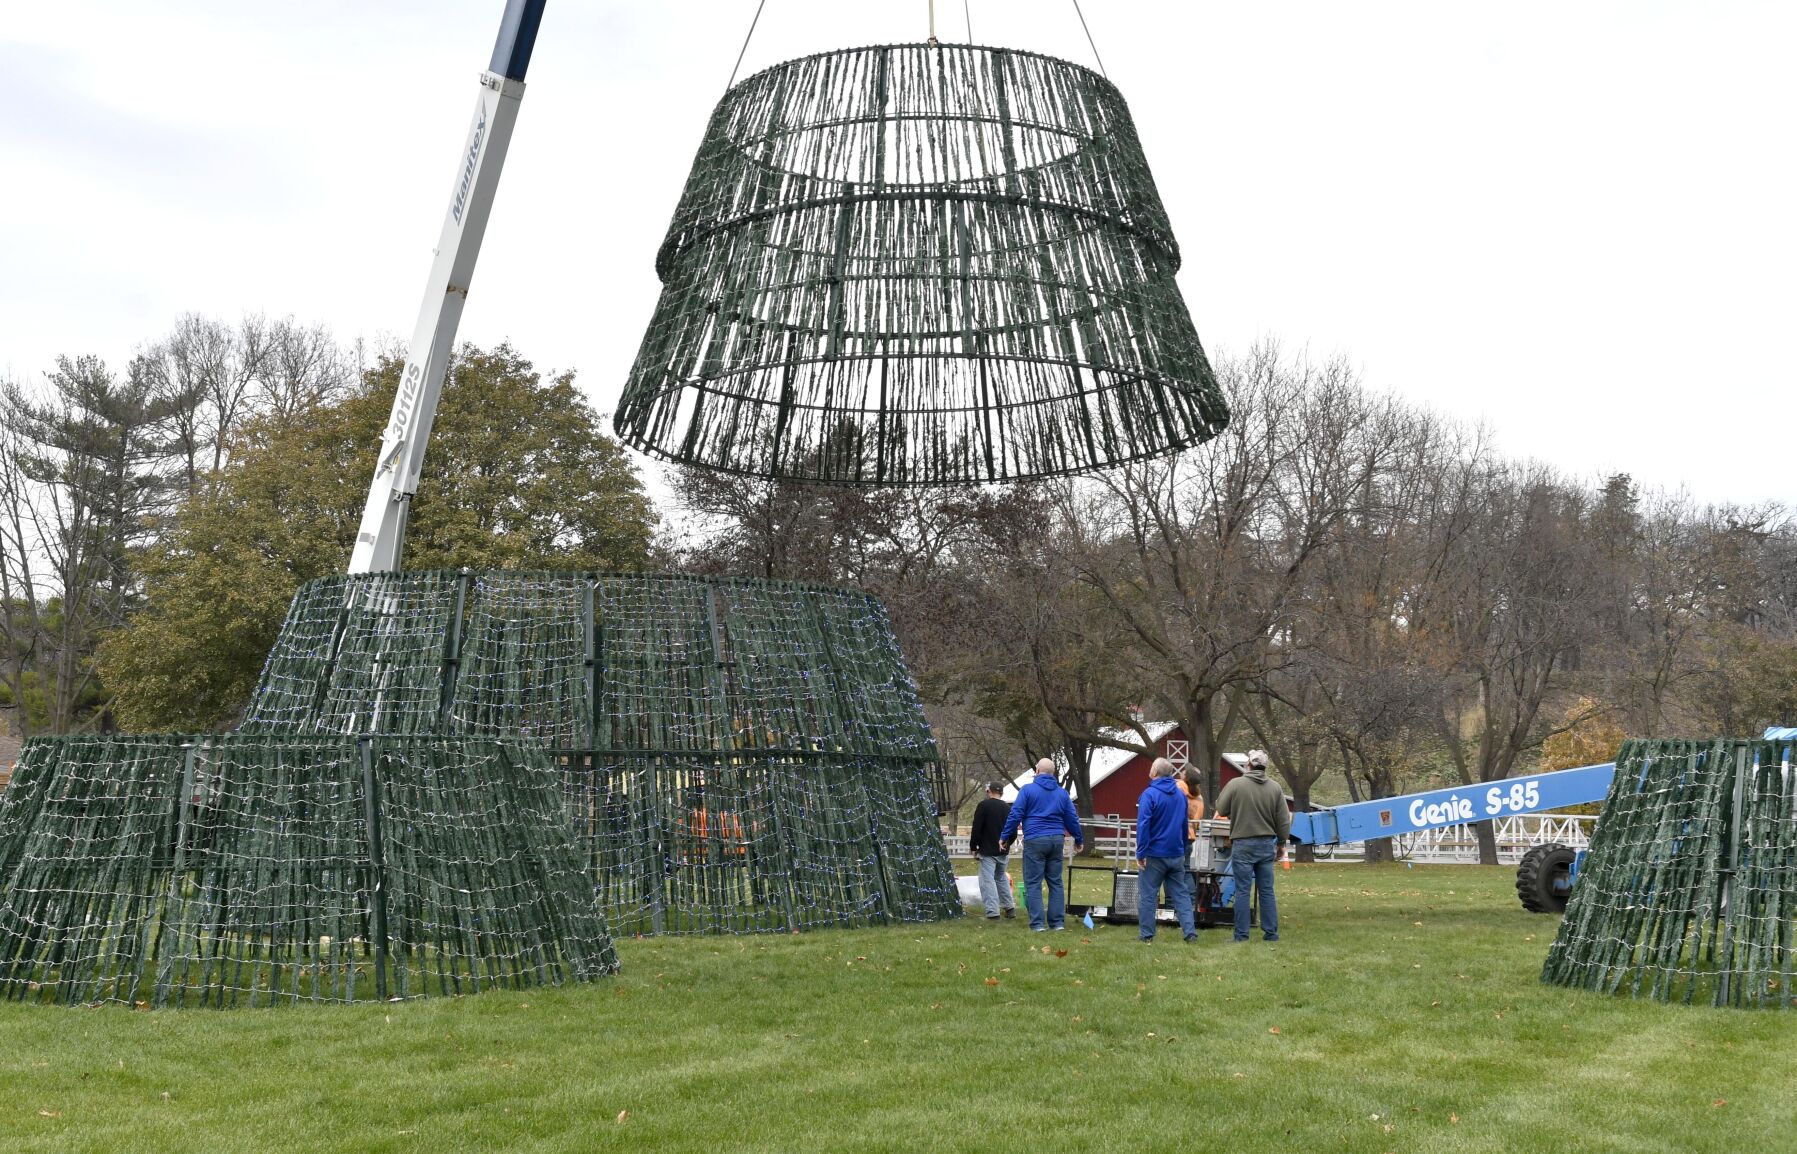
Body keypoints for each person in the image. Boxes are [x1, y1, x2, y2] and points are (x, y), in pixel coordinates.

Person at [1214, 749, 1290, 942]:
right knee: (1266, 890)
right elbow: (1283, 821)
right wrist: (1281, 844)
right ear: (1265, 767)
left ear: (1248, 764)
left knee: (1242, 890)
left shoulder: (1236, 784)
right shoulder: (1275, 788)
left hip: (1243, 843)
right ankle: (1271, 933)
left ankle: (1241, 935)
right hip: (1266, 844)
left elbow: (1221, 808)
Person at [1000, 758, 1084, 931]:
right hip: (1056, 840)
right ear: (1052, 773)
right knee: (1055, 882)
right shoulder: (1062, 793)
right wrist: (1078, 839)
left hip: (1035, 839)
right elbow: (1071, 818)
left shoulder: (1027, 790)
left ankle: (1038, 924)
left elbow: (1015, 814)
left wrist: (1005, 836)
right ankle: (1057, 923)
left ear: (1037, 771)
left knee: (1033, 883)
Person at [1135, 757, 1196, 942]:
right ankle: (1190, 933)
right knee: (1181, 894)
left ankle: (1147, 935)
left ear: (1155, 772)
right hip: (1176, 852)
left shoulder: (1149, 794)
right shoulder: (1180, 795)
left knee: (1148, 895)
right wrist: (1183, 847)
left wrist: (1141, 852)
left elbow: (1143, 825)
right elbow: (1184, 824)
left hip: (1154, 853)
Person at [967, 782, 1017, 920]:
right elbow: (1013, 831)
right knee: (1001, 878)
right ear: (1001, 793)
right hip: (1003, 851)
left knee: (987, 881)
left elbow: (977, 827)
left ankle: (992, 912)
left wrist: (973, 847)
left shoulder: (984, 806)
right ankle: (1009, 907)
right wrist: (1006, 844)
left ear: (989, 791)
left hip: (987, 850)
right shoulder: (1007, 808)